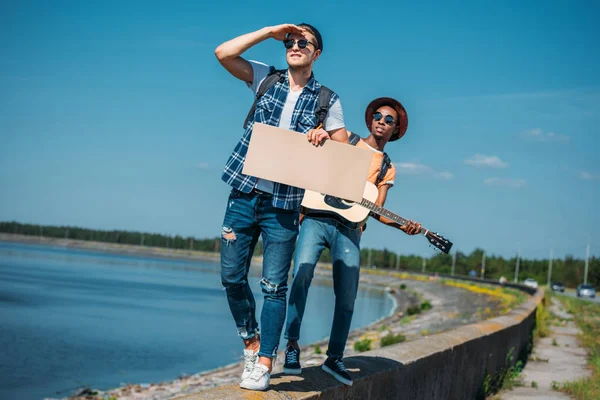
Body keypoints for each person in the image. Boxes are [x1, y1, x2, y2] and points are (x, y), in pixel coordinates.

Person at [214, 23, 349, 391]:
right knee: (231, 277)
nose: (296, 44)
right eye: (291, 40)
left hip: (284, 208)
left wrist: (326, 139)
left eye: (305, 41)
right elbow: (223, 53)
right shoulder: (266, 79)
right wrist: (271, 30)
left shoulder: (327, 101)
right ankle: (250, 340)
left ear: (317, 54)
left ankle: (264, 362)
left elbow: (345, 157)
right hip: (243, 196)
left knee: (274, 287)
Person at [282, 97, 422, 386]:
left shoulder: (386, 167)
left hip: (349, 230)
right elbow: (314, 152)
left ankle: (334, 358)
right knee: (301, 275)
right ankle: (292, 345)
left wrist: (403, 226)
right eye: (379, 116)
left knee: (347, 295)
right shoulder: (347, 140)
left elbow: (378, 209)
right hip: (316, 219)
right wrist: (318, 134)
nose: (382, 121)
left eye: (389, 120)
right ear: (370, 120)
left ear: (395, 130)